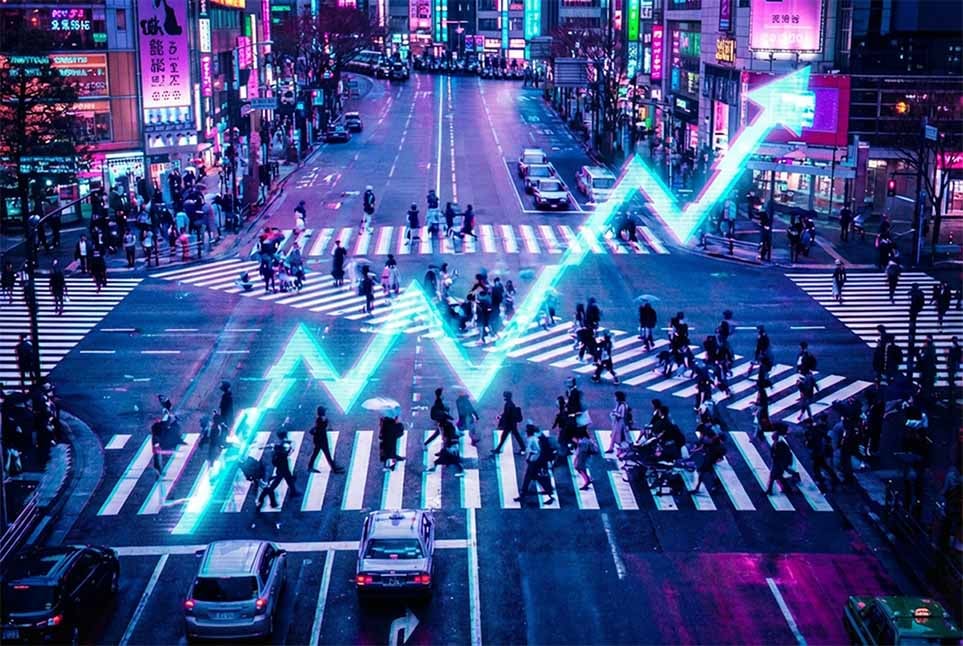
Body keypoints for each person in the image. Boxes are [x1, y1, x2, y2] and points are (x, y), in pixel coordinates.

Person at [257, 428, 299, 509]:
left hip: (282, 466)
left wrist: (262, 447)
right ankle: (261, 499)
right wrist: (291, 448)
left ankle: (293, 492)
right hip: (282, 467)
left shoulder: (280, 444)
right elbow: (288, 452)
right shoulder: (283, 446)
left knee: (289, 479)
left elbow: (271, 445)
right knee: (274, 485)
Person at [514, 425, 553, 505]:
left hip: (534, 462)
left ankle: (549, 494)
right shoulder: (534, 438)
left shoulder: (532, 440)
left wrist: (529, 457)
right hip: (534, 462)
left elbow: (537, 450)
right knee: (528, 478)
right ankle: (523, 494)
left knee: (537, 478)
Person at [765, 425, 800, 495]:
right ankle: (787, 488)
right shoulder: (775, 444)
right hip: (778, 463)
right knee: (777, 476)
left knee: (774, 476)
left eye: (774, 437)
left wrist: (787, 462)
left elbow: (787, 454)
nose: (773, 438)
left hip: (780, 463)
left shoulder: (781, 445)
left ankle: (771, 490)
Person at [308, 406, 344, 473]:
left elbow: (320, 428)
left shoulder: (321, 419)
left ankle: (310, 467)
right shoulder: (320, 419)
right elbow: (317, 429)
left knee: (317, 453)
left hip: (320, 439)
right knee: (326, 454)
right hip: (321, 440)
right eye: (324, 411)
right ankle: (334, 469)